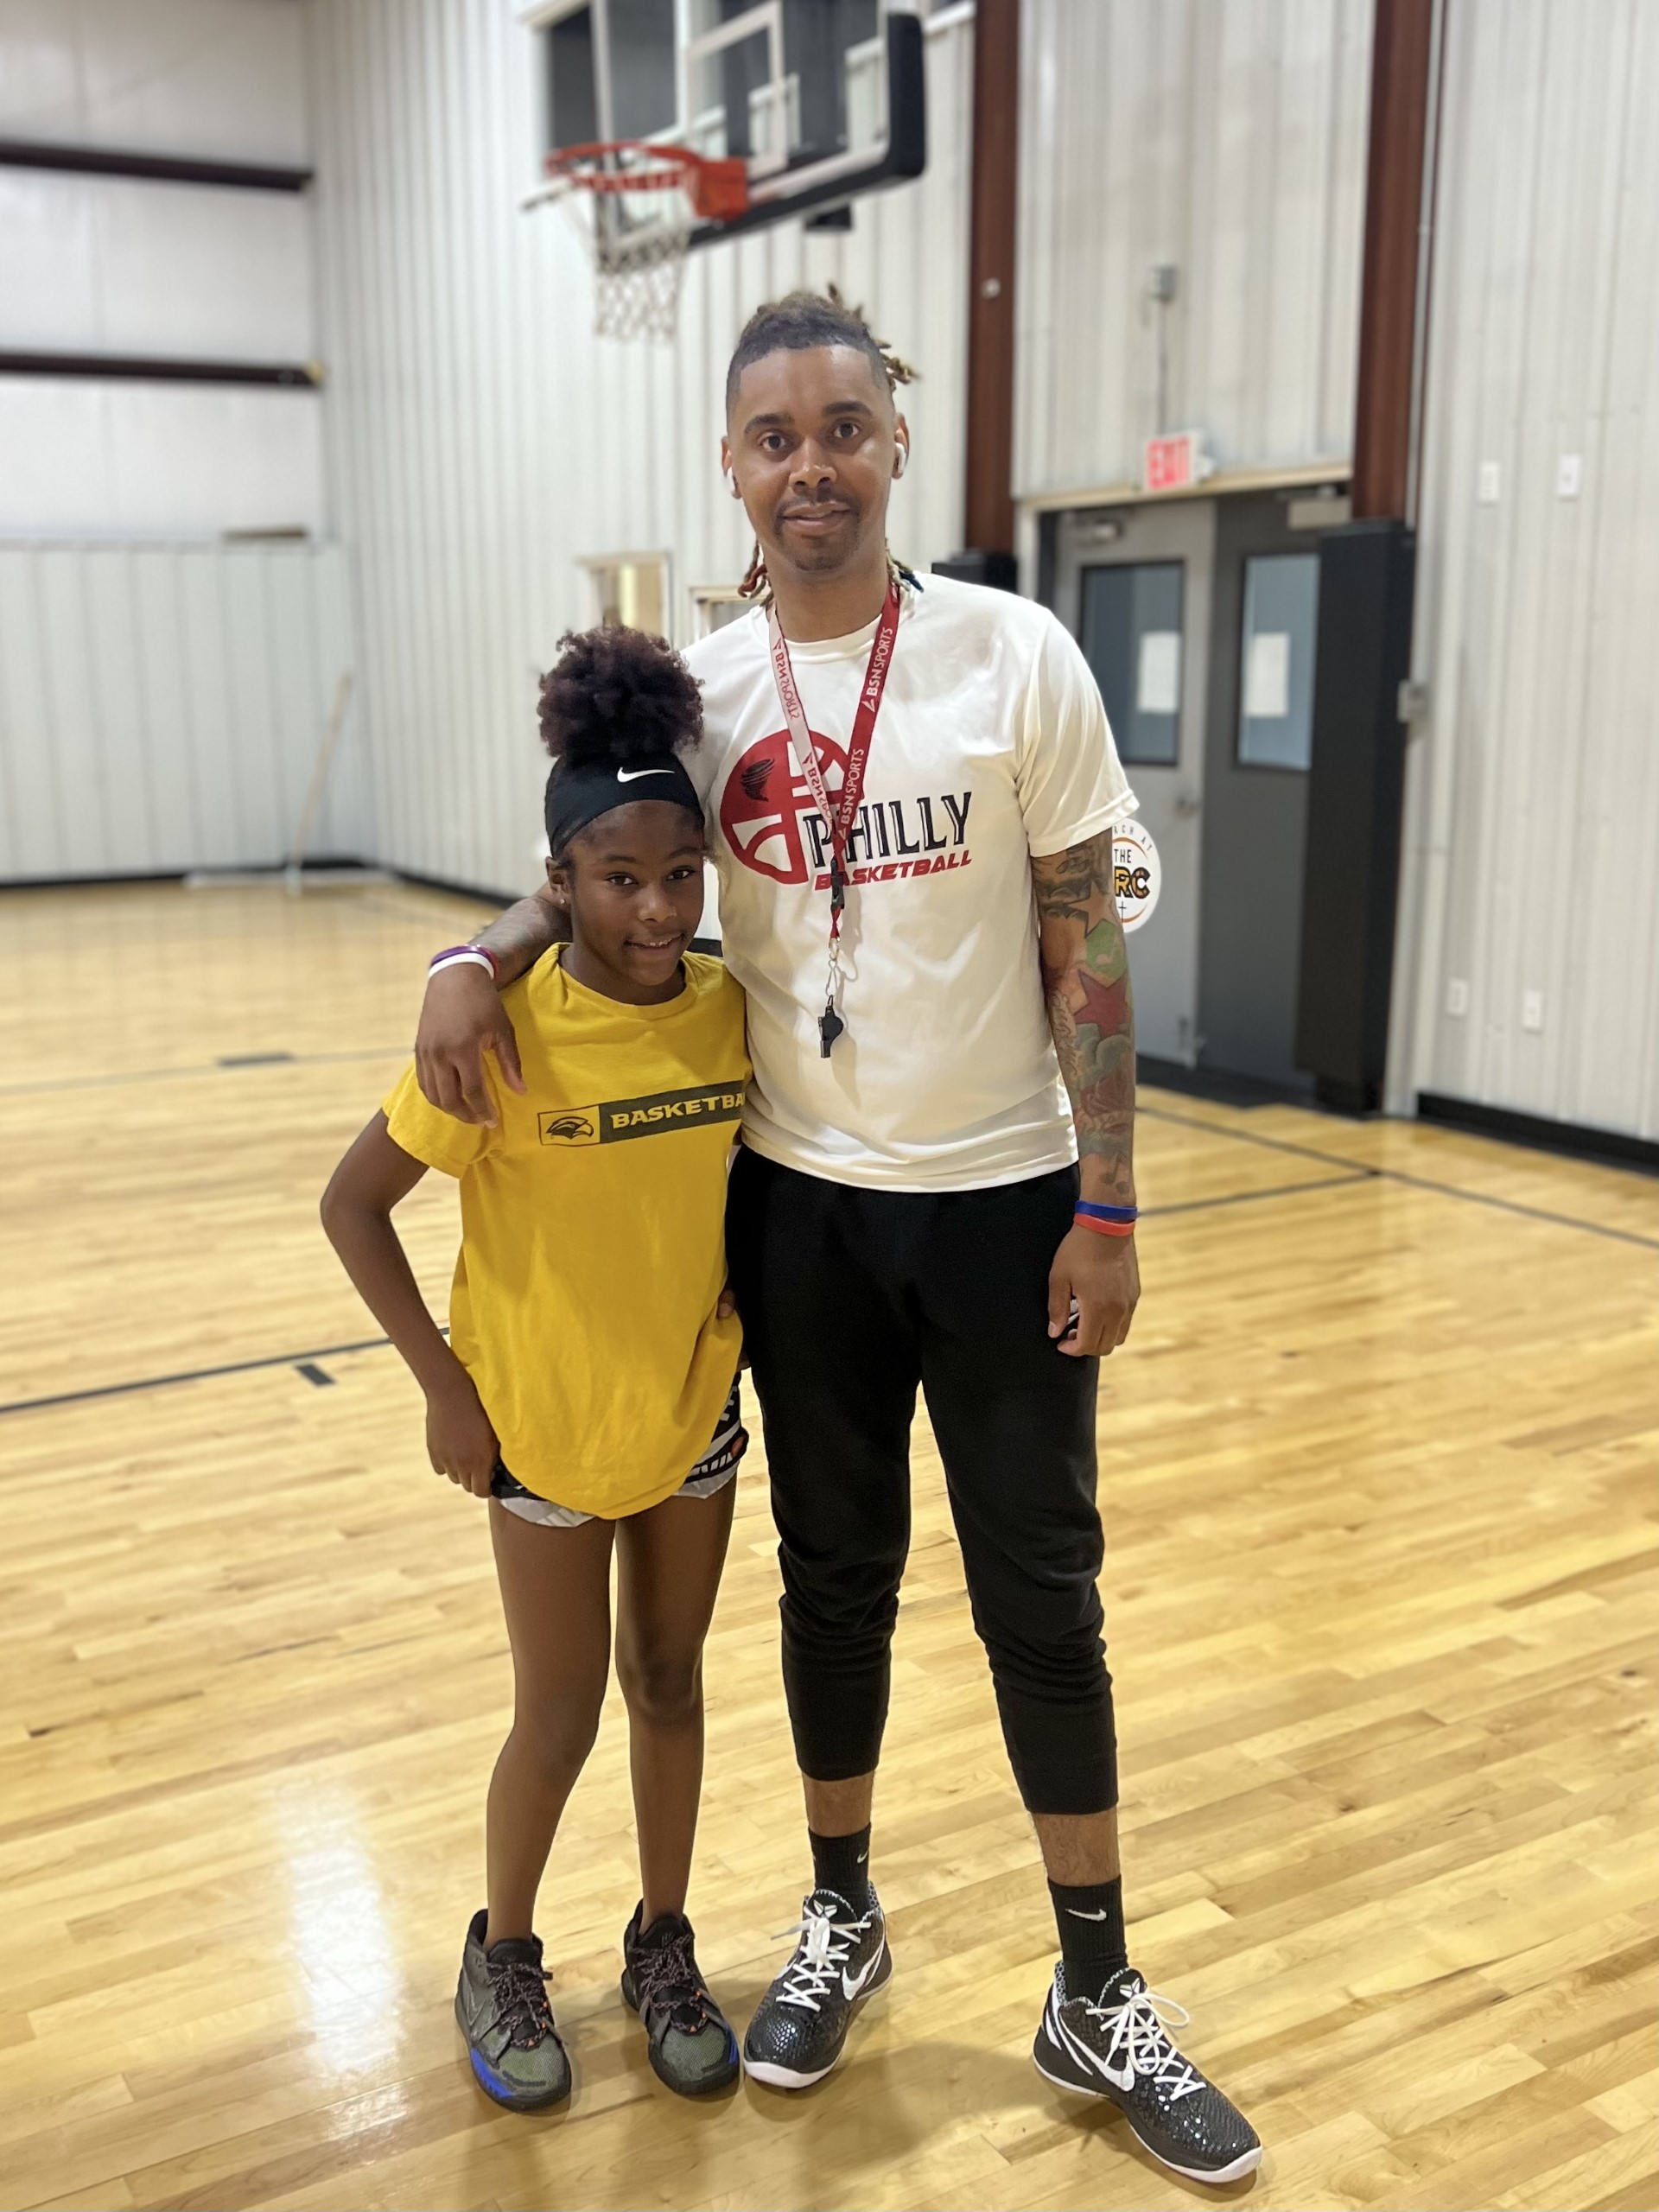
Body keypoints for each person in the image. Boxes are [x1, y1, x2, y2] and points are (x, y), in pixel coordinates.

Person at [413, 293, 1261, 2184]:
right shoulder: (705, 698)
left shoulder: (1010, 657)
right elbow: (584, 872)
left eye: (845, 426)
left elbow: (1087, 943)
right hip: (793, 1209)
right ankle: (842, 1908)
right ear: (732, 465)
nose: (813, 463)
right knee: (834, 1579)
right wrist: (471, 954)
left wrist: (1111, 1203)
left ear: (897, 444)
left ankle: (1097, 1979)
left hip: (1005, 1198)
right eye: (775, 434)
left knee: (1046, 1590)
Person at [321, 626, 752, 2111]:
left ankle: (664, 1940)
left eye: (679, 876)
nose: (655, 907)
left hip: (692, 1418)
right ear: (556, 881)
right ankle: (502, 1949)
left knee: (673, 1683)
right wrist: (447, 1390)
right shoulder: (497, 1033)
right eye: (619, 878)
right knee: (558, 1714)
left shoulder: (727, 1009)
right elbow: (351, 1205)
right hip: (540, 1436)